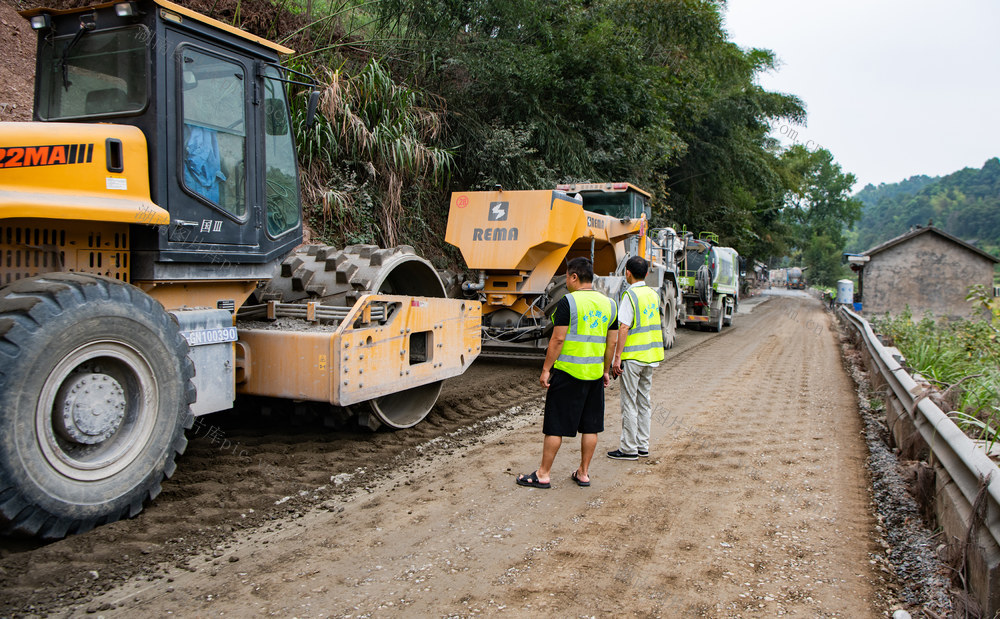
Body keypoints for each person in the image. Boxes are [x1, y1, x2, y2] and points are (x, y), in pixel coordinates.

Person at [516, 257, 618, 489]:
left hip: (568, 373)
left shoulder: (568, 302)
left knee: (556, 425)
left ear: (574, 277)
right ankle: (583, 473)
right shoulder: (610, 304)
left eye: (567, 277)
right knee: (591, 426)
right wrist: (605, 370)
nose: (567, 282)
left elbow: (558, 339)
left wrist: (545, 370)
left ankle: (543, 474)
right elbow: (611, 344)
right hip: (593, 375)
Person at [607, 256, 664, 460]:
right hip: (651, 356)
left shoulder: (630, 296)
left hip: (633, 358)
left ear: (627, 273)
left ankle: (628, 448)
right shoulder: (653, 294)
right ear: (647, 273)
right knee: (644, 401)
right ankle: (643, 445)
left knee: (629, 402)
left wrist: (617, 358)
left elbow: (624, 327)